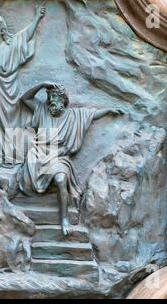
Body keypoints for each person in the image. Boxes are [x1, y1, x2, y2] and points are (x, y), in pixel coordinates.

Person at [19, 82, 125, 236]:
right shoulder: (42, 110)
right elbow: (25, 98)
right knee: (30, 172)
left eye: (56, 97)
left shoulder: (74, 115)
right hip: (39, 155)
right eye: (50, 97)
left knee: (61, 180)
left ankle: (64, 219)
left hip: (60, 157)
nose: (52, 101)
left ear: (64, 100)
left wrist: (108, 110)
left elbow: (92, 114)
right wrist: (42, 85)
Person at [0, 3, 46, 160]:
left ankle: (9, 150)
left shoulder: (10, 47)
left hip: (7, 94)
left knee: (9, 125)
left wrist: (37, 18)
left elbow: (25, 36)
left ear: (2, 29)